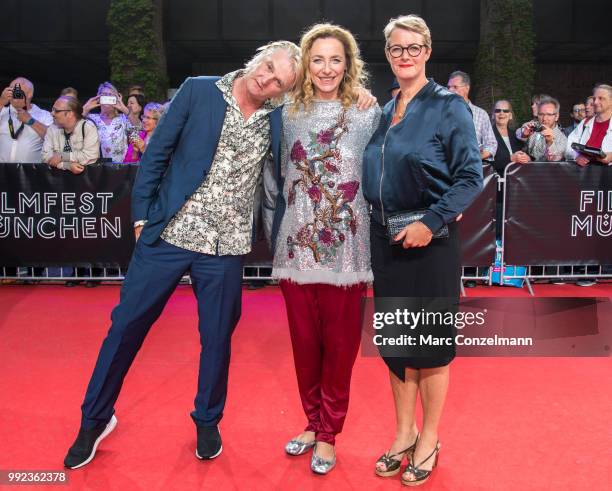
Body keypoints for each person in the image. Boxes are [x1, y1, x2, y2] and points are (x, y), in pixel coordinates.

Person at [63, 40, 300, 469]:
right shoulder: (199, 89)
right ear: (258, 56)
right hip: (170, 232)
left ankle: (207, 420)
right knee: (125, 329)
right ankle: (94, 419)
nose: (266, 79)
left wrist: (357, 93)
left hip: (226, 247)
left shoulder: (280, 118)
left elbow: (327, 110)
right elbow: (157, 154)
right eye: (268, 67)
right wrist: (140, 218)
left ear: (283, 91)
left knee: (216, 340)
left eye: (278, 81)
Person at [362, 15, 482, 486]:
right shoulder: (382, 112)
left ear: (428, 51)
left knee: (428, 348)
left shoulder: (449, 106)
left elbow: (470, 177)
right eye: (396, 48)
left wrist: (429, 223)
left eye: (413, 47)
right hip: (385, 242)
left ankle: (429, 438)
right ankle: (403, 433)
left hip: (430, 243)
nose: (404, 55)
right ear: (388, 54)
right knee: (396, 347)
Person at [267, 23, 380, 475]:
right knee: (304, 345)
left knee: (339, 348)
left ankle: (330, 432)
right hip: (296, 250)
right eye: (318, 59)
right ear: (305, 66)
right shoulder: (286, 113)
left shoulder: (367, 113)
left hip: (348, 254)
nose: (327, 68)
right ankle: (312, 423)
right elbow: (273, 179)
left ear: (348, 64)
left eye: (336, 59)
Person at [447, 70, 497, 160]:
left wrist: (476, 158)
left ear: (467, 88)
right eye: (449, 87)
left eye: (455, 87)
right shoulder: (442, 112)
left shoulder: (481, 114)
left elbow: (491, 144)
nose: (450, 90)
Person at [0, 77, 52, 163]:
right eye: (11, 90)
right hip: (2, 172)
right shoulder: (3, 111)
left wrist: (31, 121)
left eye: (18, 90)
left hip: (29, 173)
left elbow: (53, 139)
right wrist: (1, 102)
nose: (14, 93)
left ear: (29, 94)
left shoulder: (44, 115)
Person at [42, 96, 100, 172]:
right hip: (58, 180)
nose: (52, 113)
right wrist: (67, 165)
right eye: (52, 109)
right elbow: (45, 157)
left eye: (56, 111)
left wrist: (63, 156)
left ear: (70, 113)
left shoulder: (87, 127)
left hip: (84, 179)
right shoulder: (52, 129)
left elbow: (91, 156)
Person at [83, 82, 132, 162]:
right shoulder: (90, 118)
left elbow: (138, 132)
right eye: (104, 94)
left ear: (116, 98)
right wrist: (85, 109)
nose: (107, 97)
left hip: (120, 168)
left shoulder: (124, 119)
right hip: (97, 168)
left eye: (111, 95)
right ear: (98, 98)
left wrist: (124, 109)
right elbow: (73, 127)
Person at [566, 84, 612, 166]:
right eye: (594, 98)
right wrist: (577, 156)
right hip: (586, 175)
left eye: (601, 98)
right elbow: (568, 146)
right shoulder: (585, 122)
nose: (595, 102)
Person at [520, 97, 567, 161]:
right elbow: (526, 152)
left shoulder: (562, 138)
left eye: (549, 114)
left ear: (556, 117)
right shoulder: (535, 131)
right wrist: (525, 136)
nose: (544, 118)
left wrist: (550, 143)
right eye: (541, 114)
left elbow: (554, 160)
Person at [491, 99, 528, 174]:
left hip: (516, 181)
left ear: (510, 116)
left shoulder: (516, 135)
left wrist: (527, 157)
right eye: (498, 110)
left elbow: (525, 154)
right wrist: (510, 158)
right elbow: (486, 163)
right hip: (497, 182)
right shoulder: (487, 135)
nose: (501, 113)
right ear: (493, 115)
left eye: (505, 111)